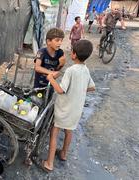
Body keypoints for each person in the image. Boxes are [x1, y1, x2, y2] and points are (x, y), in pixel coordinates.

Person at [40, 39, 95, 173]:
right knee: (69, 130)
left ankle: (49, 163)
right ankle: (64, 153)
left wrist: (51, 79)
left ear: (74, 54)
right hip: (76, 109)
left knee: (55, 131)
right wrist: (78, 89)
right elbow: (92, 87)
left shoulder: (71, 70)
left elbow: (60, 90)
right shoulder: (85, 69)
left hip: (64, 109)